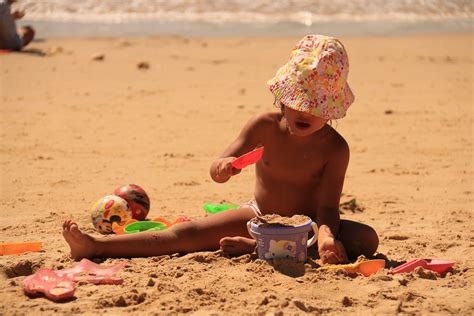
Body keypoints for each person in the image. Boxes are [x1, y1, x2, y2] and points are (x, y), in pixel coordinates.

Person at [62, 34, 379, 264]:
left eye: (316, 106)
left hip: (303, 228)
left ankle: (259, 249)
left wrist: (325, 238)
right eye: (298, 102)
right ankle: (95, 246)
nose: (305, 112)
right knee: (185, 234)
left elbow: (326, 210)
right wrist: (225, 167)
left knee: (366, 239)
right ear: (283, 96)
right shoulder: (264, 126)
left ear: (332, 109)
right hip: (258, 216)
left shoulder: (335, 149)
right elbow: (219, 166)